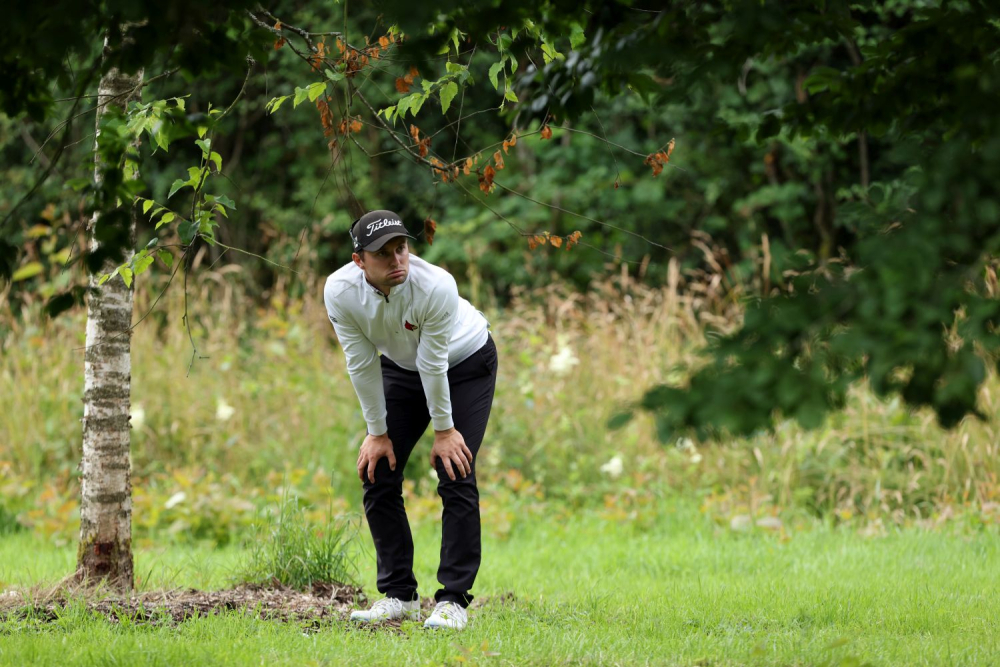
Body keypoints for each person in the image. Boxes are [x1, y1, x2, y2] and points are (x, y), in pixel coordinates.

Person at [323, 209, 498, 630]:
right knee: (377, 470)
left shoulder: (436, 285)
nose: (397, 260)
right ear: (358, 261)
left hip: (465, 361)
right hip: (402, 369)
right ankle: (398, 594)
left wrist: (445, 430)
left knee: (455, 468)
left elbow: (434, 362)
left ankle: (453, 601)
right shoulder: (339, 291)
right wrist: (376, 433)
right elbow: (361, 363)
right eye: (383, 254)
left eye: (401, 248)